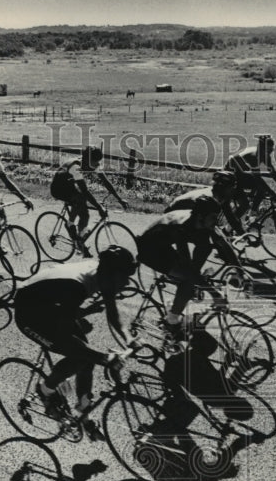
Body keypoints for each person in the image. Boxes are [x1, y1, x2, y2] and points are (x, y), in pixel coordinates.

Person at [13, 246, 139, 421]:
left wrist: (128, 338)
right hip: (29, 315)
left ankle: (83, 408)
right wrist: (104, 358)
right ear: (111, 274)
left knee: (86, 354)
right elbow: (63, 328)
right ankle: (45, 391)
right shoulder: (77, 286)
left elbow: (112, 311)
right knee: (80, 355)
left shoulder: (104, 274)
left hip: (53, 304)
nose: (126, 283)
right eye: (124, 277)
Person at [136, 195, 238, 338]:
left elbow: (225, 245)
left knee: (206, 245)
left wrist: (240, 272)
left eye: (217, 218)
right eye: (213, 217)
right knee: (188, 278)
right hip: (150, 249)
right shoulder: (180, 227)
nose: (216, 222)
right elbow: (187, 266)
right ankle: (171, 320)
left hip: (165, 243)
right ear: (200, 217)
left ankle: (183, 295)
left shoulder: (204, 222)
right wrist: (214, 293)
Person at [49, 157, 109, 258]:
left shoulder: (91, 163)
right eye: (94, 163)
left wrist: (119, 199)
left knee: (85, 214)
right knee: (81, 197)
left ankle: (80, 242)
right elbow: (85, 191)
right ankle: (70, 224)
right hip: (58, 189)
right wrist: (99, 207)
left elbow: (105, 181)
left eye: (97, 163)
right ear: (88, 161)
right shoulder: (75, 167)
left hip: (69, 186)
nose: (96, 166)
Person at [224, 137, 276, 222]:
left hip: (240, 172)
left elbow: (273, 173)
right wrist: (272, 194)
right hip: (231, 174)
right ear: (262, 148)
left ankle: (252, 213)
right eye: (268, 150)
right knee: (244, 205)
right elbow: (258, 179)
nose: (270, 152)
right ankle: (228, 228)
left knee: (261, 188)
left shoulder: (265, 156)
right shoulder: (254, 156)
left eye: (271, 150)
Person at [165, 171, 245, 237]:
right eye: (231, 187)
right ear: (223, 187)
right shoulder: (209, 198)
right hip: (172, 217)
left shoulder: (219, 196)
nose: (233, 190)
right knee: (204, 240)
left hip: (182, 216)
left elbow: (230, 217)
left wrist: (244, 234)